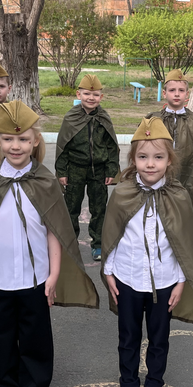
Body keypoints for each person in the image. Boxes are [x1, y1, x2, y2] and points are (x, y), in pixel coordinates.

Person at [0, 100, 100, 387]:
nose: (16, 146)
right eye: (8, 139)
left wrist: (53, 274)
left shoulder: (45, 181)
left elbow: (55, 231)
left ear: (35, 141)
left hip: (34, 277)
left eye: (23, 139)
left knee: (34, 336)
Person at [101, 117, 193, 387]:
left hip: (164, 283)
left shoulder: (178, 196)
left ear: (169, 160)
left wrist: (180, 281)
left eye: (158, 157)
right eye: (142, 157)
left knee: (159, 337)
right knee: (127, 336)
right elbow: (112, 235)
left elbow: (183, 243)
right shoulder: (122, 193)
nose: (150, 164)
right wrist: (109, 272)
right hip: (126, 278)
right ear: (133, 159)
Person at [55, 74, 120, 262]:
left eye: (95, 94)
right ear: (79, 94)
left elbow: (111, 146)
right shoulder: (71, 117)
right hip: (75, 170)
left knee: (99, 209)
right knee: (71, 208)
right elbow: (63, 146)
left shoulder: (103, 118)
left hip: (98, 171)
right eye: (86, 94)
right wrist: (62, 172)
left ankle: (98, 244)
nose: (91, 98)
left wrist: (111, 170)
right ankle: (69, 243)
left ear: (101, 97)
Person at [145, 69, 193, 227]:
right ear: (164, 93)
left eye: (181, 90)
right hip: (159, 176)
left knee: (183, 215)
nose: (176, 94)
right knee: (158, 213)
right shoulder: (153, 120)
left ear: (187, 94)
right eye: (172, 90)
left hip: (188, 176)